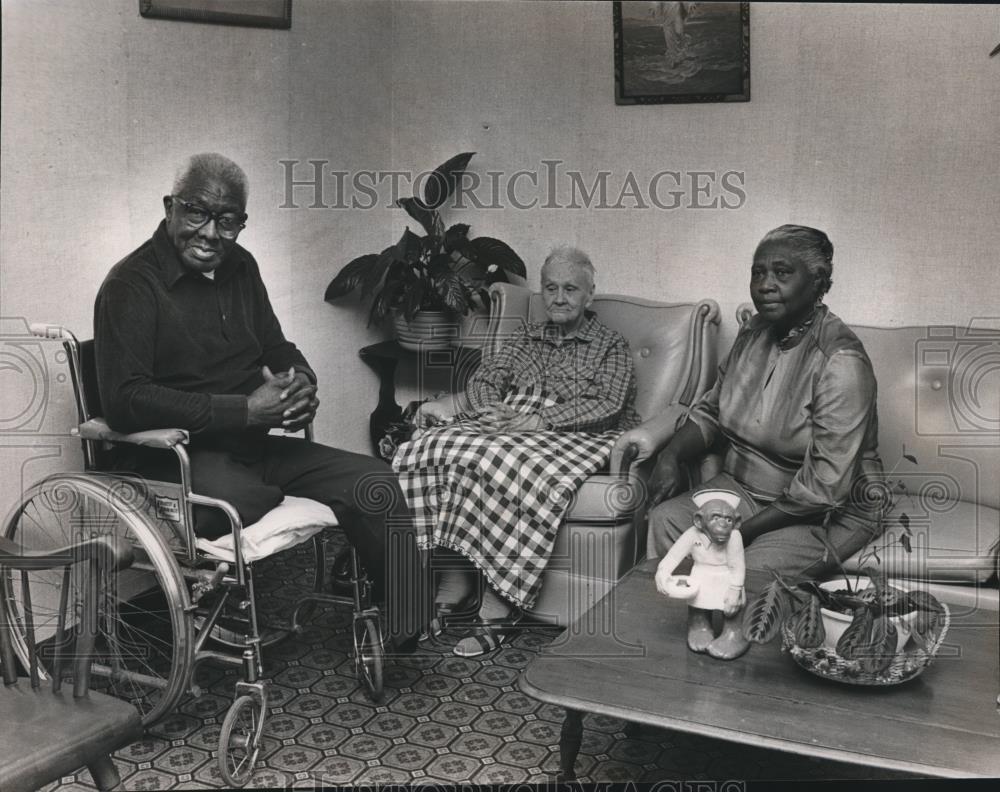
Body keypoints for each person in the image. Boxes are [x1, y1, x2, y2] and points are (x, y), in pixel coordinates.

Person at [93, 152, 425, 654]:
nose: (210, 233)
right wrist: (246, 411)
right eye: (197, 213)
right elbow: (124, 400)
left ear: (241, 224)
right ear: (170, 208)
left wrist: (302, 384)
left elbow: (276, 347)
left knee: (373, 480)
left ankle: (405, 617)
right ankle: (216, 608)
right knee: (240, 498)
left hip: (253, 445)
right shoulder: (130, 286)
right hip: (175, 461)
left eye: (227, 221)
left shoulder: (241, 266)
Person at [646, 224, 884, 658]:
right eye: (758, 273)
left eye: (781, 273)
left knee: (749, 569)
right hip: (742, 492)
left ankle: (734, 691)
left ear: (819, 283)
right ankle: (685, 648)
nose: (765, 286)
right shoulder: (754, 332)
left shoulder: (841, 361)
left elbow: (824, 487)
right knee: (666, 519)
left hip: (821, 510)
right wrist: (669, 454)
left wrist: (738, 533)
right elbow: (713, 412)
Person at [394, 246, 641, 657]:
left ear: (589, 295)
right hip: (513, 421)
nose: (559, 298)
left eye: (570, 289)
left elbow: (608, 405)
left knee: (510, 464)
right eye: (550, 288)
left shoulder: (609, 344)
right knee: (436, 446)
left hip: (576, 432)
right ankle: (452, 578)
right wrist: (493, 409)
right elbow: (489, 377)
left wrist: (537, 422)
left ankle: (499, 607)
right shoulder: (525, 335)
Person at [654, 490, 747, 659]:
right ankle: (699, 627)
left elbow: (737, 566)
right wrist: (662, 572)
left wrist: (735, 589)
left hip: (727, 576)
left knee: (732, 609)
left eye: (728, 519)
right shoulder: (692, 534)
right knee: (698, 604)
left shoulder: (734, 536)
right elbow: (674, 555)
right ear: (699, 520)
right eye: (715, 517)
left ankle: (734, 634)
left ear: (736, 522)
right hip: (701, 574)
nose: (723, 524)